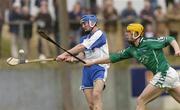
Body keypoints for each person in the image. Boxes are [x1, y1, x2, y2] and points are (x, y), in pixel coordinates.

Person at [84, 23, 180, 110]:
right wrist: (93, 61)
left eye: (129, 32)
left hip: (164, 73)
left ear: (137, 33)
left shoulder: (149, 42)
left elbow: (170, 39)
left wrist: (177, 50)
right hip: (169, 75)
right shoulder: (131, 50)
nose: (126, 34)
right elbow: (112, 57)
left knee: (141, 101)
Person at [56, 15, 109, 110]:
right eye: (82, 24)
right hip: (87, 70)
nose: (83, 26)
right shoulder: (84, 38)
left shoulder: (99, 34)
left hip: (99, 67)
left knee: (96, 94)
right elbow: (82, 55)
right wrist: (72, 58)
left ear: (92, 22)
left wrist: (64, 54)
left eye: (85, 23)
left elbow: (81, 47)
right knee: (91, 105)